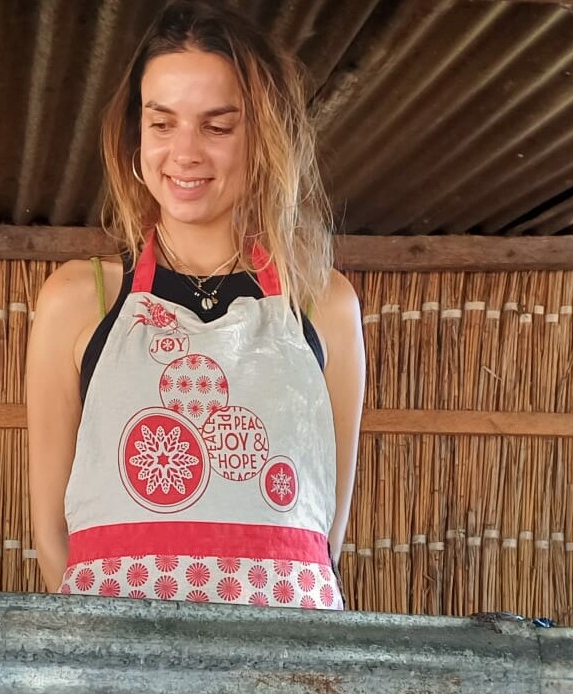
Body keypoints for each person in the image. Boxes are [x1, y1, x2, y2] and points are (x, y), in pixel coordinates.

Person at [24, 1, 365, 609]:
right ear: (136, 136)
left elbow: (321, 531)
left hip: (283, 678)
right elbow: (52, 534)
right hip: (119, 671)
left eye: (217, 125)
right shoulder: (79, 301)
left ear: (261, 138)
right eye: (162, 123)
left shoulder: (323, 302)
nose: (185, 153)